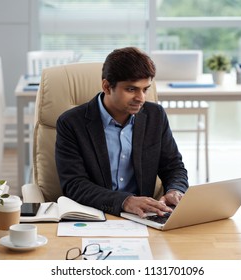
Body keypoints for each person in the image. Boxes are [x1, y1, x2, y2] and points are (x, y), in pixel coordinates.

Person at [55, 46, 188, 218]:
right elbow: (74, 184)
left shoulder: (155, 116)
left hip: (144, 218)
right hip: (93, 216)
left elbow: (173, 166)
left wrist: (175, 190)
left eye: (145, 89)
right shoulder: (71, 123)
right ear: (107, 86)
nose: (141, 98)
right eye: (131, 89)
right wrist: (125, 201)